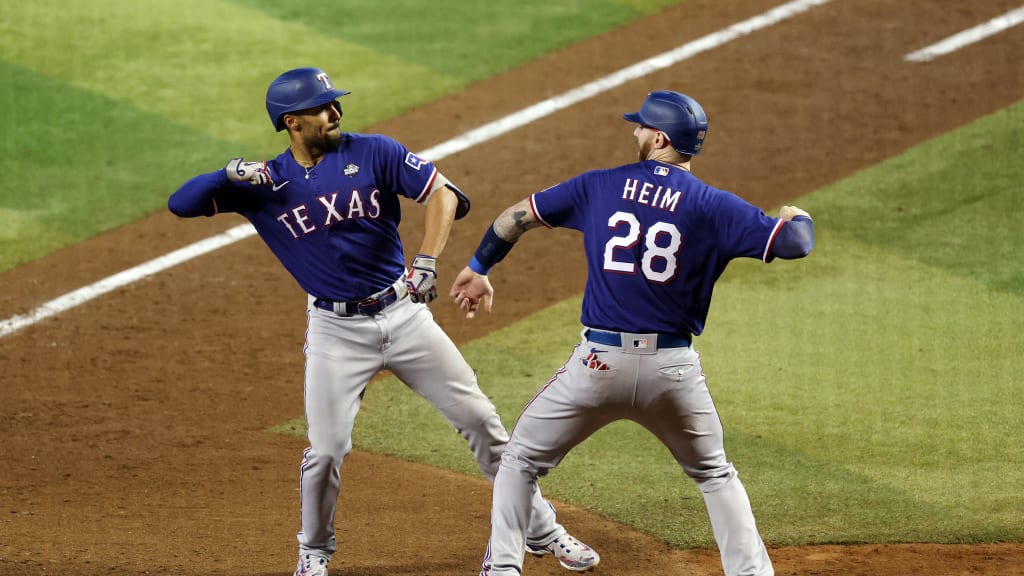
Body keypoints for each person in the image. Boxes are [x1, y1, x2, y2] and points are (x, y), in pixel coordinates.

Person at [167, 67, 599, 576]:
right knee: (326, 452)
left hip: (405, 314)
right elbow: (181, 203)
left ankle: (543, 532)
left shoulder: (374, 151)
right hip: (336, 332)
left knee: (483, 423)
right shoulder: (267, 184)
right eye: (322, 107)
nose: (335, 113)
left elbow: (445, 195)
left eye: (335, 103)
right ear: (291, 122)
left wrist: (427, 261)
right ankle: (314, 551)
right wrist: (228, 175)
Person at [450, 90, 815, 576]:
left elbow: (514, 218)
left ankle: (502, 570)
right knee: (713, 474)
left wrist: (479, 268)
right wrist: (799, 217)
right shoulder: (713, 205)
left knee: (518, 461)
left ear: (660, 137)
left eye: (642, 127)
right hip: (673, 371)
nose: (635, 132)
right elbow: (794, 244)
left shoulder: (600, 186)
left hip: (598, 366)